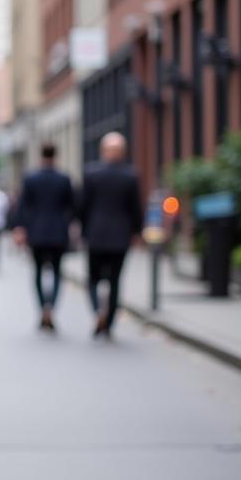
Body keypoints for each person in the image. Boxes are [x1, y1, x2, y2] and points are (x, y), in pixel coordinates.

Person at [78, 132, 143, 338]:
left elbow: (82, 207)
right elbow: (135, 209)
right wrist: (136, 232)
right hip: (120, 237)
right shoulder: (131, 175)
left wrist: (83, 230)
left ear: (104, 151)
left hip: (96, 235)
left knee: (93, 279)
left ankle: (98, 312)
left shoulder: (91, 173)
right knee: (115, 280)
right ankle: (110, 323)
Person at [14, 143, 75, 331]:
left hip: (36, 233)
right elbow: (71, 206)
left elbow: (23, 206)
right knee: (56, 272)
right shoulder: (64, 179)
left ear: (40, 156)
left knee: (39, 272)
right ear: (56, 156)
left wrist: (20, 229)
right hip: (58, 233)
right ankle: (51, 307)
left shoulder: (31, 179)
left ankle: (43, 308)